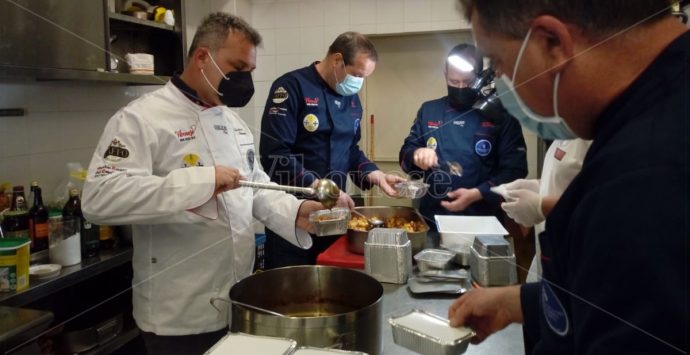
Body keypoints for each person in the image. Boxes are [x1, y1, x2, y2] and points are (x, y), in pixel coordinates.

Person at [448, 1, 688, 354]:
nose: (499, 85)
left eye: (498, 63)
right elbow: (614, 301)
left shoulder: (642, 176)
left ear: (552, 43)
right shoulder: (658, 104)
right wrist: (520, 303)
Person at [82, 13, 324, 355]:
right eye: (237, 67)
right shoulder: (140, 119)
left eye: (249, 72)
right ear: (202, 57)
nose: (244, 80)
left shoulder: (235, 124)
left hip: (239, 304)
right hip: (178, 315)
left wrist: (297, 211)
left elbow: (255, 188)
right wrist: (202, 180)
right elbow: (99, 198)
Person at [259, 32, 404, 268]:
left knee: (331, 283)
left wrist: (375, 175)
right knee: (292, 290)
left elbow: (351, 150)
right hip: (293, 214)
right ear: (337, 60)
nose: (359, 82)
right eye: (357, 74)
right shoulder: (291, 87)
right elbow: (275, 155)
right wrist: (319, 188)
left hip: (334, 218)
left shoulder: (352, 99)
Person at [398, 43, 528, 229]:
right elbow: (404, 157)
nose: (460, 87)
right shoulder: (429, 111)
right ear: (445, 75)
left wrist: (478, 193)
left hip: (483, 221)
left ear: (480, 79)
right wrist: (416, 154)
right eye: (453, 82)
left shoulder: (501, 115)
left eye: (467, 82)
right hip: (432, 221)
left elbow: (516, 171)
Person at [493, 139, 591, 282]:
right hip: (550, 254)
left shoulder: (599, 139)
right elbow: (565, 181)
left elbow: (601, 205)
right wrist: (539, 186)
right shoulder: (562, 135)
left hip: (579, 260)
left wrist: (541, 206)